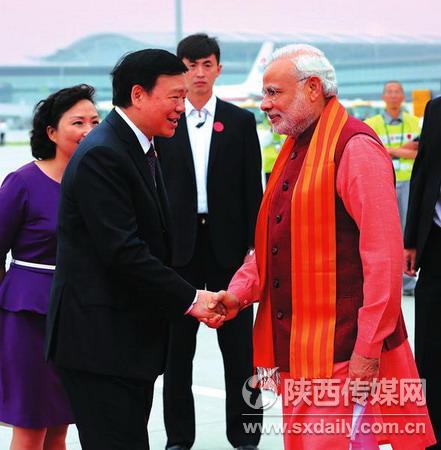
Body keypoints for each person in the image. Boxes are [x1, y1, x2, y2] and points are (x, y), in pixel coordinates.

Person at [220, 44, 435, 449]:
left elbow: (383, 258)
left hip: (342, 351)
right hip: (298, 347)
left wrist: (367, 349)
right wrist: (238, 293)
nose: (264, 104)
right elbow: (275, 241)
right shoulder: (296, 146)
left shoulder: (354, 147)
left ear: (313, 88)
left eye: (273, 93)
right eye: (264, 93)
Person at [45, 49, 227, 450]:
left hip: (126, 345)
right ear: (138, 95)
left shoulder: (137, 146)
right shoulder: (105, 154)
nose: (182, 107)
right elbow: (124, 252)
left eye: (184, 97)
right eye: (174, 97)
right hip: (100, 345)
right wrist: (192, 298)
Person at [155, 33, 263, 450]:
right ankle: (179, 439)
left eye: (206, 65)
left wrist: (254, 247)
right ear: (180, 70)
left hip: (228, 250)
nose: (199, 73)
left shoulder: (240, 121)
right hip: (177, 251)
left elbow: (252, 188)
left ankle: (246, 437)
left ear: (218, 69)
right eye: (190, 66)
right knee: (176, 353)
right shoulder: (166, 121)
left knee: (240, 354)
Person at [0, 84, 99, 450]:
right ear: (52, 132)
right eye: (78, 122)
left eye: (95, 121)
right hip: (28, 317)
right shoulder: (22, 183)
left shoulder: (97, 183)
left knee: (60, 425)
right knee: (31, 426)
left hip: (79, 315)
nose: (89, 129)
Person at [404, 96, 441, 449]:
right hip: (436, 243)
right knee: (430, 343)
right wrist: (411, 240)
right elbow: (423, 171)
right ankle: (431, 433)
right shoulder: (436, 109)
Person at [365, 81, 421, 295]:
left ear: (403, 96)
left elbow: (420, 152)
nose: (393, 95)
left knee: (408, 233)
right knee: (385, 233)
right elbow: (371, 150)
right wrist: (402, 150)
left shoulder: (415, 122)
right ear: (383, 97)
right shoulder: (372, 123)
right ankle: (387, 282)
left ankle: (408, 282)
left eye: (397, 92)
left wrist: (389, 150)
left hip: (409, 183)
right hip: (383, 182)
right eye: (389, 92)